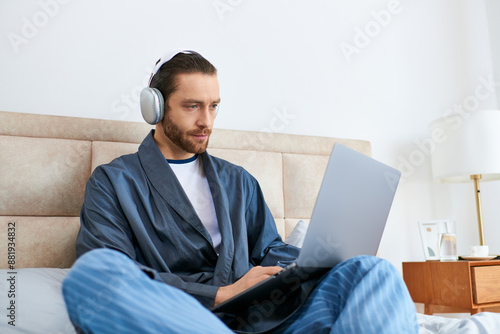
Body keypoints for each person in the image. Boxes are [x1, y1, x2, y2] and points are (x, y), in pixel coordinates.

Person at [62, 50, 418, 333]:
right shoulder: (114, 181)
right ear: (154, 106)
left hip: (264, 316)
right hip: (184, 319)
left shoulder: (239, 181)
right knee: (94, 273)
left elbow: (270, 250)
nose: (207, 120)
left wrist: (303, 264)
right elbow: (115, 272)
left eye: (214, 106)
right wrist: (219, 294)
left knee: (373, 271)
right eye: (192, 106)